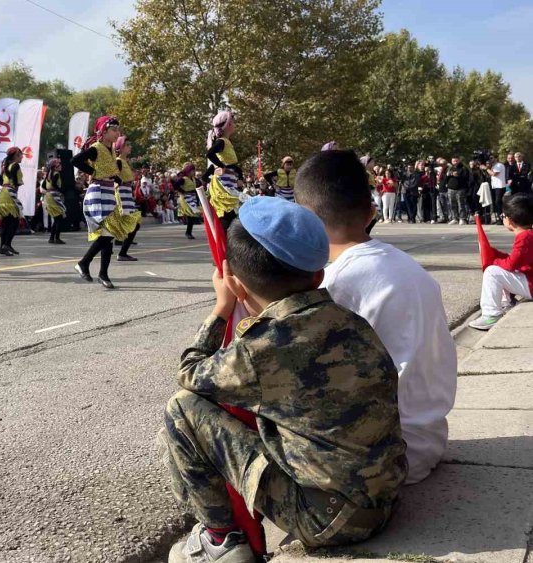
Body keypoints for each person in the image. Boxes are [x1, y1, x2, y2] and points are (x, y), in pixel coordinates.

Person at [161, 197, 406, 562]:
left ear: (239, 286)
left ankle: (222, 540)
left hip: (327, 520)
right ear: (318, 275)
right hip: (386, 496)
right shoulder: (351, 321)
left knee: (181, 408)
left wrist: (221, 307)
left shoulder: (261, 347)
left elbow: (190, 374)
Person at [295, 150, 457, 485]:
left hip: (382, 458)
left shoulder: (334, 284)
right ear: (371, 211)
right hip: (428, 440)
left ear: (303, 218)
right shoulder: (409, 268)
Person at [72, 116, 134, 289]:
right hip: (98, 193)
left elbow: (109, 169)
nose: (117, 133)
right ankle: (87, 265)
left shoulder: (112, 150)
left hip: (108, 192)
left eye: (118, 130)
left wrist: (116, 178)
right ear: (103, 131)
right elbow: (75, 161)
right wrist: (94, 171)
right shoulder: (96, 148)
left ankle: (98, 271)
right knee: (107, 233)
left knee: (109, 235)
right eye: (113, 130)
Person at [469, 194, 533, 330]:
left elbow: (511, 264)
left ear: (510, 221)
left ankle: (491, 315)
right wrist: (496, 256)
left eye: (503, 216)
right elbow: (517, 260)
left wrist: (495, 261)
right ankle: (507, 303)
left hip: (531, 285)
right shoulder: (528, 234)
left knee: (492, 272)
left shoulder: (524, 237)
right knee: (500, 270)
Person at [205, 110, 245, 230]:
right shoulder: (221, 142)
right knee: (227, 215)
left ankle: (227, 244)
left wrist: (240, 177)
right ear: (228, 124)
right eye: (233, 121)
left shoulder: (227, 142)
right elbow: (209, 154)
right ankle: (225, 245)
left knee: (232, 214)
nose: (235, 123)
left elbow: (232, 165)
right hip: (223, 184)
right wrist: (221, 166)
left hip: (230, 182)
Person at [114, 136, 143, 262]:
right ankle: (121, 252)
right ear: (120, 147)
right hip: (121, 194)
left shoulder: (125, 162)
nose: (130, 147)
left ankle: (122, 251)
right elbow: (112, 176)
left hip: (127, 194)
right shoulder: (119, 161)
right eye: (127, 145)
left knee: (133, 225)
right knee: (133, 224)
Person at [0, 147, 24, 257]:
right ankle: (6, 245)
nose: (22, 157)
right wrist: (13, 184)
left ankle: (4, 246)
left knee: (7, 222)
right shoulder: (15, 165)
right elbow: (15, 180)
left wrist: (6, 184)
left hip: (4, 192)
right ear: (16, 155)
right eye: (21, 155)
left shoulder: (7, 165)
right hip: (9, 194)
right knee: (14, 221)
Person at [41, 158, 67, 244]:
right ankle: (57, 238)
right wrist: (61, 190)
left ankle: (52, 238)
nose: (61, 166)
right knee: (59, 217)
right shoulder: (56, 174)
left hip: (48, 196)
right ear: (55, 167)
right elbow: (54, 184)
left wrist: (49, 190)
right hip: (54, 196)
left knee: (56, 218)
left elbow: (44, 186)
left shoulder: (48, 174)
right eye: (59, 165)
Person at [174, 162, 202, 240]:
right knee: (190, 215)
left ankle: (188, 232)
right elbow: (175, 185)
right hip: (186, 198)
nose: (194, 172)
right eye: (192, 170)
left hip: (192, 197)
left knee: (192, 215)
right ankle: (188, 233)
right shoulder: (183, 179)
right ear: (188, 171)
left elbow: (198, 187)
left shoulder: (193, 179)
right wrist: (183, 191)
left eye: (194, 170)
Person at [446, 156, 470, 225]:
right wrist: (448, 175)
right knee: (452, 204)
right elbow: (446, 178)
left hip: (460, 189)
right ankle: (454, 218)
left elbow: (466, 178)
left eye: (456, 161)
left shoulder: (463, 168)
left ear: (459, 160)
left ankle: (462, 218)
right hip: (451, 188)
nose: (455, 162)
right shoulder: (450, 168)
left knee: (461, 204)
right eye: (453, 161)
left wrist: (458, 175)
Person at [489, 152, 507, 224]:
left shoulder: (499, 165)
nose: (490, 159)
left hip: (500, 186)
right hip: (495, 186)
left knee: (498, 202)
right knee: (496, 203)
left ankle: (502, 218)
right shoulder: (493, 166)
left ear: (496, 158)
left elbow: (494, 174)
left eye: (491, 158)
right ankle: (500, 218)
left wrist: (486, 168)